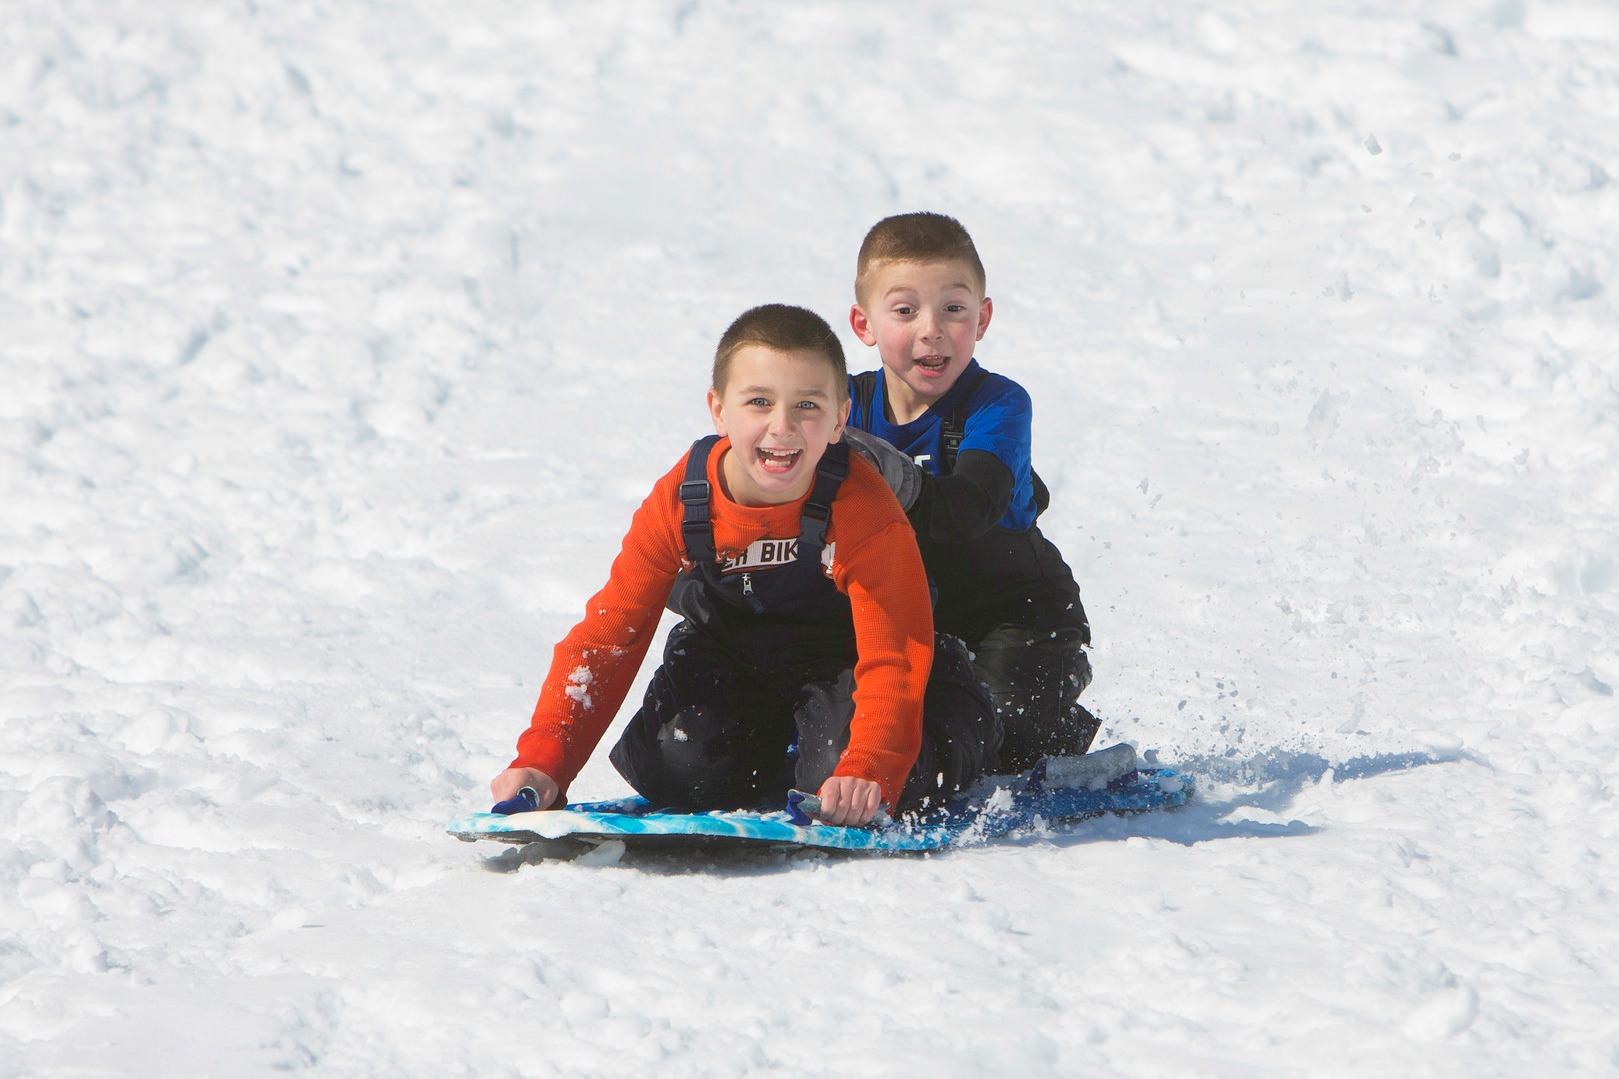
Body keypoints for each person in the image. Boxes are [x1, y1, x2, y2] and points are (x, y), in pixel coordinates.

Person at [490, 303, 998, 826]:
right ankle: (783, 748)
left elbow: (895, 652)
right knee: (678, 769)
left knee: (869, 784)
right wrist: (544, 763)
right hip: (734, 653)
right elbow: (607, 639)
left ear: (840, 416)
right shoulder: (682, 502)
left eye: (807, 405)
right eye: (758, 402)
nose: (782, 427)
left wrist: (870, 766)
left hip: (848, 655)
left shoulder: (863, 509)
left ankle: (952, 716)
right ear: (719, 410)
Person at [839, 212, 1097, 772]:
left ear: (982, 319)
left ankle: (1056, 726)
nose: (932, 328)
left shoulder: (998, 404)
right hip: (901, 612)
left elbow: (968, 510)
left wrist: (886, 469)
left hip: (1012, 610)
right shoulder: (842, 405)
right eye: (905, 310)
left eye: (953, 308)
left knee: (1003, 733)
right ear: (865, 325)